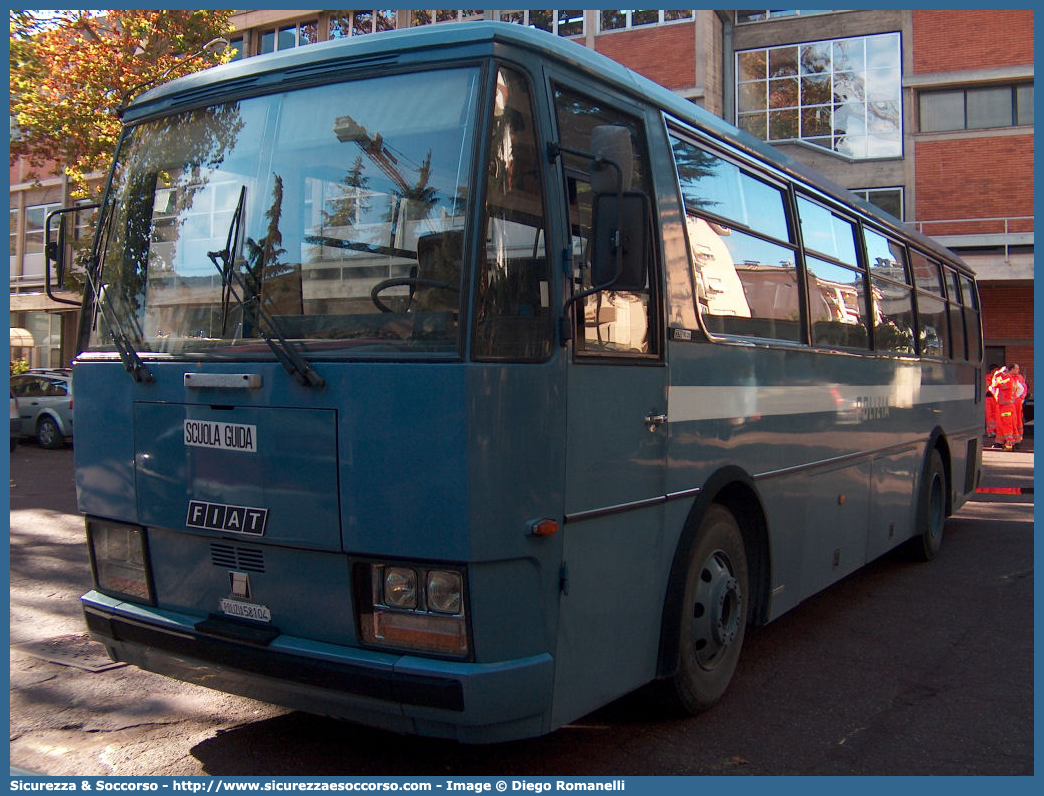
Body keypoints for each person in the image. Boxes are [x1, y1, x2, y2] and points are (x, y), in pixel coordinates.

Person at [991, 366, 1019, 450]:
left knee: (1007, 425)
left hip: (1006, 407)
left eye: (1002, 372)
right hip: (1005, 406)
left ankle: (1010, 444)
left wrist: (995, 376)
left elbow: (995, 385)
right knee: (1004, 425)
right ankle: (1006, 442)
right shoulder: (1009, 379)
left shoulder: (1008, 380)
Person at [1011, 363, 1028, 445]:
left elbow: (1023, 388)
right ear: (1012, 369)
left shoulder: (1018, 377)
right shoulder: (1009, 378)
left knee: (1016, 420)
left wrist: (1020, 398)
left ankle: (1017, 438)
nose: (1018, 370)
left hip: (1014, 402)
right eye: (1017, 369)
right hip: (1010, 402)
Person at [985, 364, 1000, 438]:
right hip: (988, 398)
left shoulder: (998, 378)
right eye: (996, 369)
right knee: (989, 415)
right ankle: (990, 431)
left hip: (995, 398)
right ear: (992, 370)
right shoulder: (987, 377)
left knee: (995, 414)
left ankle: (995, 430)